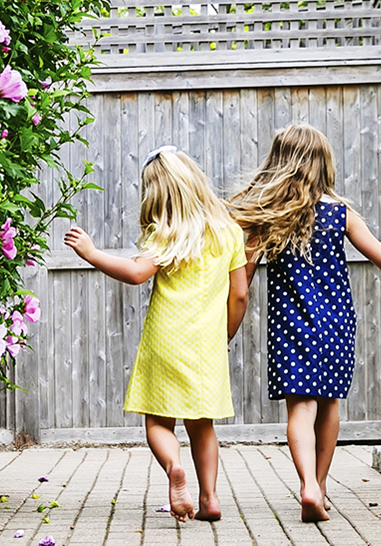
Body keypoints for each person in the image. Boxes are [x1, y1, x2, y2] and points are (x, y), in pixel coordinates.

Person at [227, 123, 381, 523]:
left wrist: (224, 332)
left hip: (289, 323)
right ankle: (319, 485)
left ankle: (308, 487)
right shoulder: (341, 214)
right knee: (329, 403)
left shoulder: (264, 218)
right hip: (336, 323)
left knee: (299, 408)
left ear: (276, 163)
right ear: (322, 164)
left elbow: (241, 286)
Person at [64, 146, 248, 523]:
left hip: (166, 339)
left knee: (158, 422)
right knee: (203, 424)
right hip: (208, 342)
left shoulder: (166, 234)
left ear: (156, 194)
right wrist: (224, 336)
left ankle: (173, 465)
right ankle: (210, 498)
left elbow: (135, 274)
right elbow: (240, 295)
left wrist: (92, 253)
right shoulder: (230, 232)